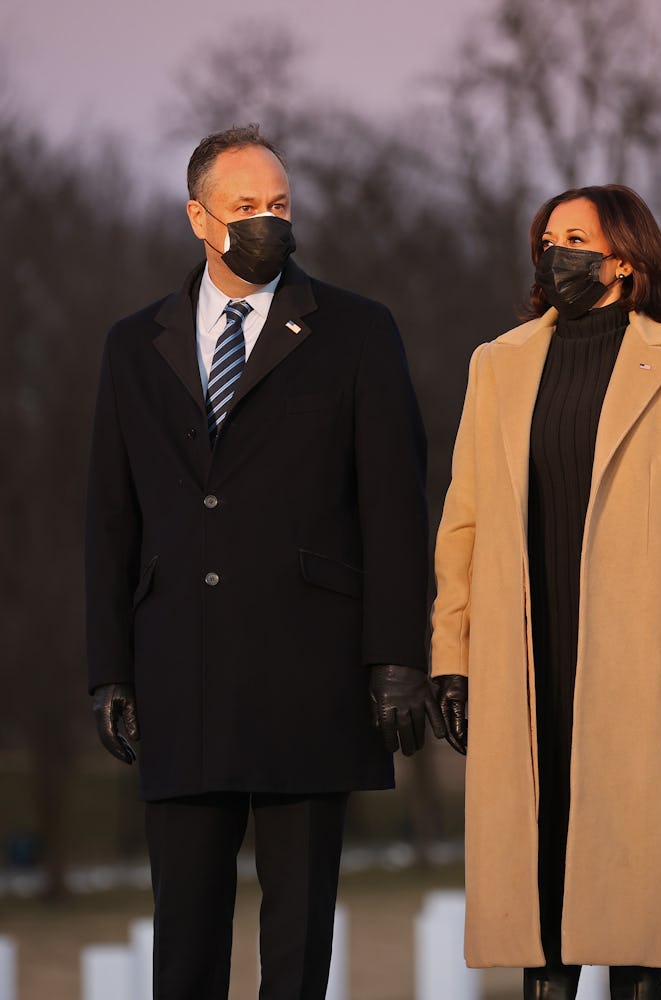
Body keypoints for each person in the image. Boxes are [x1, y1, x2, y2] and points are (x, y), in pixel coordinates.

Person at [86, 124, 444, 1000]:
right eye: (245, 207)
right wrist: (109, 672)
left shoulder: (358, 330)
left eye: (279, 205)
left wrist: (397, 656)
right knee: (186, 944)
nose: (267, 222)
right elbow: (107, 517)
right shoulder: (134, 345)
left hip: (308, 672)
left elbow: (395, 504)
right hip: (180, 673)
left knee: (296, 947)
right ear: (199, 218)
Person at [431, 185, 661, 1000]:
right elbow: (462, 524)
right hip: (526, 658)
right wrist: (450, 658)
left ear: (623, 257)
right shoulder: (496, 363)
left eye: (575, 236)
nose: (554, 251)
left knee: (636, 910)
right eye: (546, 236)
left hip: (638, 666)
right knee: (541, 911)